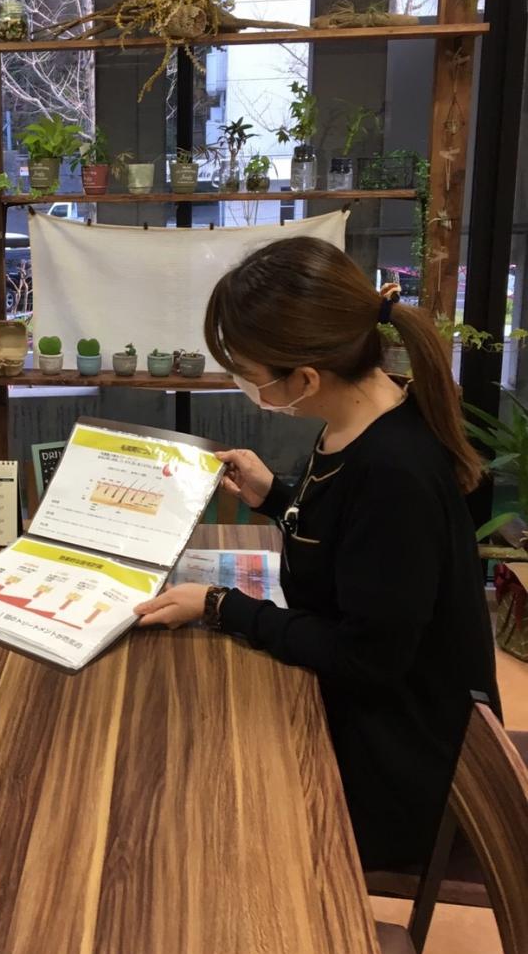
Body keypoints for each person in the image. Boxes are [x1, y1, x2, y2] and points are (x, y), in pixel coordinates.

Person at [135, 236, 499, 871]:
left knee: (194, 808)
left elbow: (365, 658)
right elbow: (350, 550)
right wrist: (275, 496)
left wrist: (221, 605)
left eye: (249, 377)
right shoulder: (363, 417)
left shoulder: (394, 473)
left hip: (397, 765)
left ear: (305, 378)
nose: (245, 388)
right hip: (367, 712)